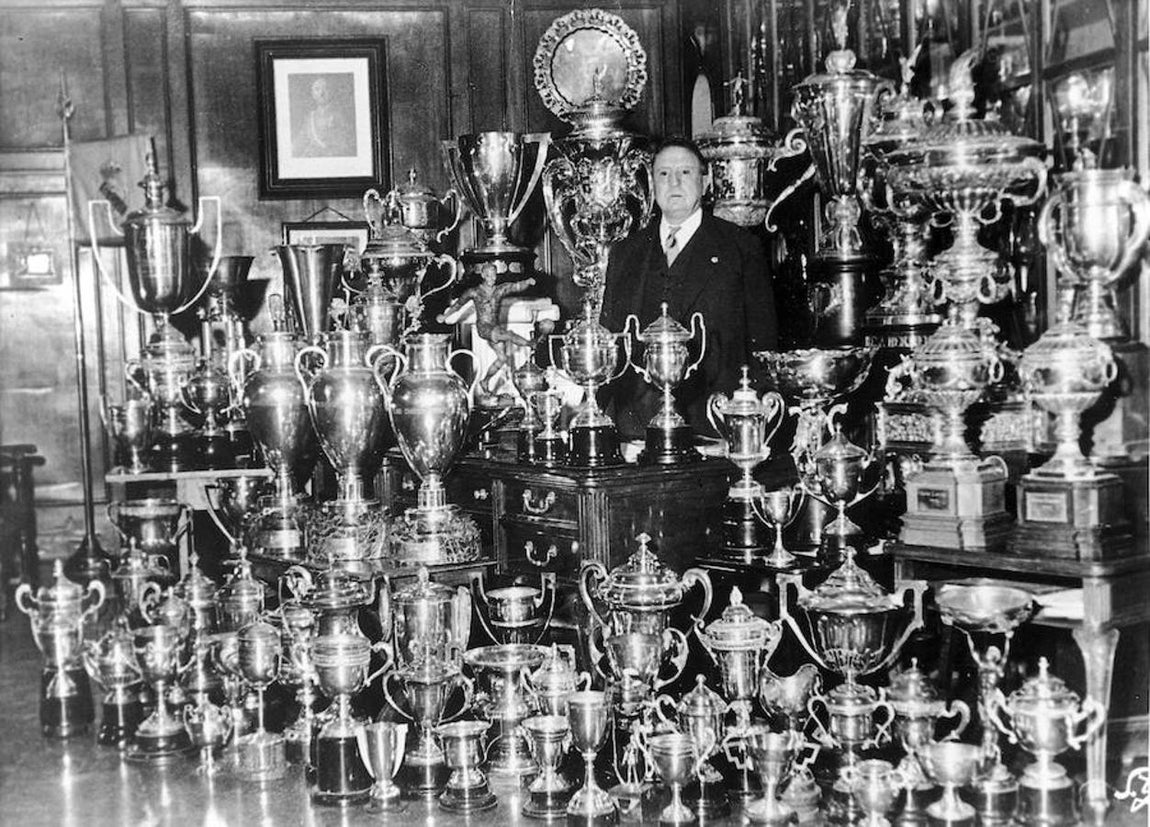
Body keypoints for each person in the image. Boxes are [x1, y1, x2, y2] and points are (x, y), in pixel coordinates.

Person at [599, 136, 778, 438]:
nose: (674, 183)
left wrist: (752, 422)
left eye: (685, 173)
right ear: (652, 184)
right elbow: (610, 339)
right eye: (664, 174)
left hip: (714, 421)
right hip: (636, 427)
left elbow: (763, 343)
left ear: (705, 182)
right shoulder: (626, 253)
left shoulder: (739, 247)